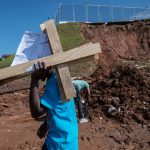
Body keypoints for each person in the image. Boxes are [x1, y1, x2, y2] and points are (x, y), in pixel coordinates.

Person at [29, 62, 78, 150]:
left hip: (59, 142)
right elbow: (60, 108)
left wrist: (34, 79)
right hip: (68, 138)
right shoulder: (58, 77)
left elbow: (36, 112)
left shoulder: (54, 81)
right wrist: (46, 124)